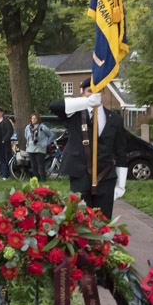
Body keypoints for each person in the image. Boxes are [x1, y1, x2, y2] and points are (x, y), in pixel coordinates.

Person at [49, 79, 127, 220]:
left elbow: (120, 151)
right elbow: (54, 105)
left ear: (103, 93)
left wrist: (121, 184)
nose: (94, 94)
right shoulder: (74, 115)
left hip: (105, 176)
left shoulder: (115, 119)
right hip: (80, 174)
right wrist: (86, 102)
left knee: (102, 221)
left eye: (97, 91)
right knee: (80, 220)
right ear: (82, 93)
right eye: (90, 91)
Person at [24, 113, 55, 181]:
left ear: (38, 119)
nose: (33, 120)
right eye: (32, 118)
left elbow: (51, 135)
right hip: (30, 148)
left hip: (40, 148)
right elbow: (26, 135)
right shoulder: (28, 127)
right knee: (33, 165)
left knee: (40, 165)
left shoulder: (42, 127)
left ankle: (43, 180)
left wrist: (47, 143)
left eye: (35, 118)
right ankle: (36, 180)